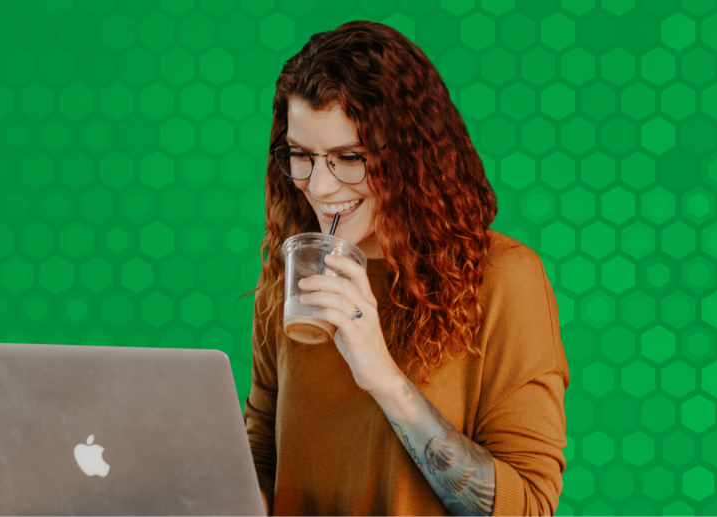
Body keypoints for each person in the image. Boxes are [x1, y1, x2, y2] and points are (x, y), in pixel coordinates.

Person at [240, 20, 569, 517]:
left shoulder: (504, 280)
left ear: (413, 156)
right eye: (301, 156)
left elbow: (529, 507)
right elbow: (263, 449)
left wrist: (384, 379)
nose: (321, 187)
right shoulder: (294, 273)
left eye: (349, 157)